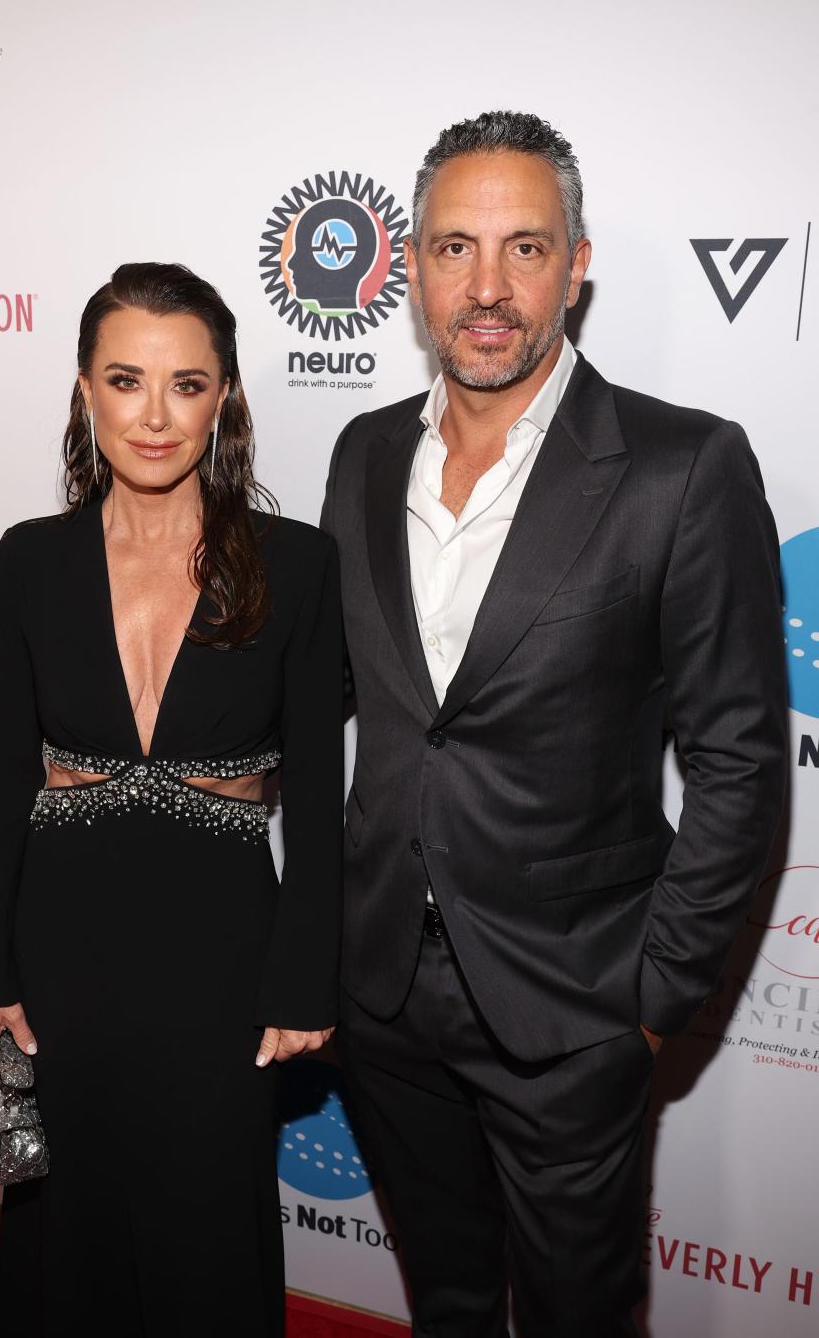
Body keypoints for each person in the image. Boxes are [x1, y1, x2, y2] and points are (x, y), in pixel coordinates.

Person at [321, 111, 787, 1338]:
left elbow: (741, 761)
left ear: (576, 264)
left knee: (580, 1316)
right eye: (455, 248)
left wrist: (649, 999)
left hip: (573, 1007)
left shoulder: (681, 468)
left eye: (525, 248)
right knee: (452, 1298)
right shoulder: (363, 455)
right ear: (411, 268)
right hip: (379, 991)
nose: (487, 288)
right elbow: (347, 703)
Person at [0, 262, 343, 1338]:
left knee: (206, 1223)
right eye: (127, 378)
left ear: (223, 396)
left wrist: (305, 967)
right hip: (61, 942)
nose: (156, 414)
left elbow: (318, 788)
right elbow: (0, 766)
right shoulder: (32, 561)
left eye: (188, 383)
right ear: (86, 389)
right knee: (64, 1220)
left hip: (222, 952)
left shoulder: (298, 564)